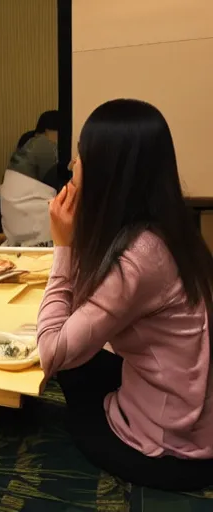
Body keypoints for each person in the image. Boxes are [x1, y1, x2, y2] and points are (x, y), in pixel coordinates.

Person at [38, 99, 213, 491]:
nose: (73, 166)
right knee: (82, 365)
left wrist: (63, 247)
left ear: (107, 172)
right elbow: (89, 302)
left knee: (65, 378)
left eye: (81, 155)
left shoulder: (139, 257)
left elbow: (53, 349)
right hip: (193, 411)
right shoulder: (165, 231)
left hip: (175, 449)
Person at [0, 110, 59, 247]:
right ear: (49, 130)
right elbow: (56, 183)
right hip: (31, 219)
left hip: (12, 219)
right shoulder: (44, 145)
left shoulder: (29, 144)